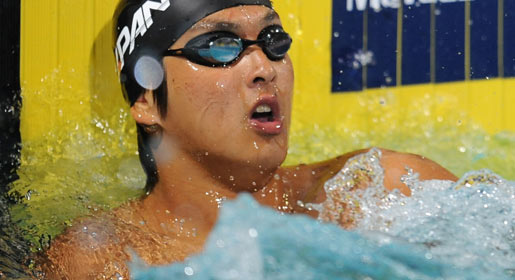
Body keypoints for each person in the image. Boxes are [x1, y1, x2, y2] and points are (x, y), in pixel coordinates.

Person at [41, 0, 457, 278]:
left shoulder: (382, 190)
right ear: (147, 98)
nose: (263, 67)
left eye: (273, 41)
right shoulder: (105, 259)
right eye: (221, 46)